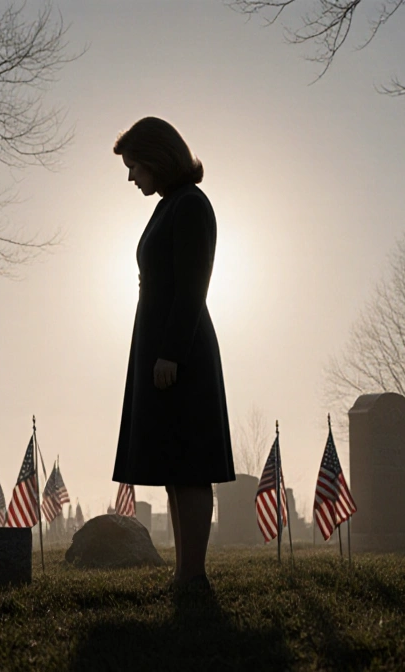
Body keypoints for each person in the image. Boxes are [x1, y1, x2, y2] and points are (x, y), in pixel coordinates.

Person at [111, 117, 235, 591]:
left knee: (190, 466)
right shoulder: (168, 206)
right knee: (172, 466)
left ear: (158, 158)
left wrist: (170, 353)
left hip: (180, 352)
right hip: (158, 348)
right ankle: (184, 575)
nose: (131, 176)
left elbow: (192, 287)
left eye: (135, 165)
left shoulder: (191, 206)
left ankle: (194, 576)